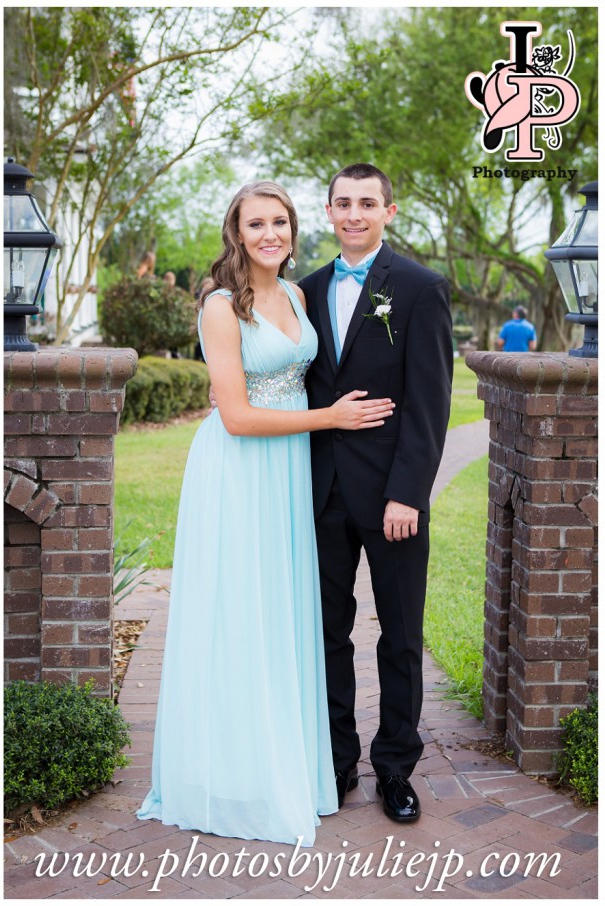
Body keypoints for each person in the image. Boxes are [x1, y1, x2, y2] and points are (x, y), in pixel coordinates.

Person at [137, 181, 395, 845]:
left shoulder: (298, 295)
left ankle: (290, 762)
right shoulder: (222, 306)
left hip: (289, 472)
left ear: (292, 227)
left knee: (282, 612)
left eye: (280, 221)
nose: (270, 234)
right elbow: (238, 414)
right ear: (237, 231)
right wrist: (330, 419)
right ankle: (233, 775)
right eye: (257, 224)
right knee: (239, 612)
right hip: (241, 468)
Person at [299, 163, 453, 823]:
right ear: (328, 212)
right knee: (327, 635)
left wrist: (407, 494)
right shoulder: (302, 292)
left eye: (367, 203)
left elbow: (428, 403)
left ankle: (395, 768)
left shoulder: (420, 289)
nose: (354, 214)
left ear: (390, 210)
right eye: (343, 203)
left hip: (392, 497)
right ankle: (337, 766)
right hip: (320, 493)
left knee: (400, 636)